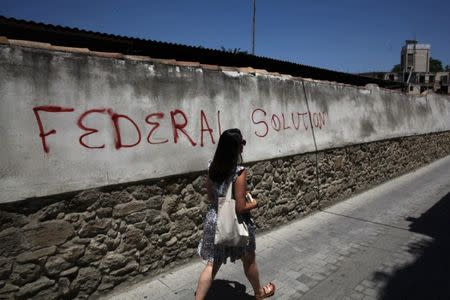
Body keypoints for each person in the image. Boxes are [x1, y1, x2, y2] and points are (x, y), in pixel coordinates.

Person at [195, 128, 275, 300]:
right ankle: (259, 293)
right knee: (249, 260)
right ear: (235, 148)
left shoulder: (211, 167)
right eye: (242, 143)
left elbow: (210, 197)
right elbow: (240, 208)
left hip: (215, 220)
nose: (243, 147)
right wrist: (254, 203)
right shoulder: (238, 172)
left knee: (212, 264)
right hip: (236, 223)